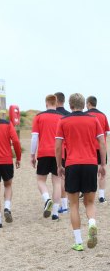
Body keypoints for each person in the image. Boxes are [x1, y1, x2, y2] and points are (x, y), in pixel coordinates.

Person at [55, 93, 106, 251]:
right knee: (90, 202)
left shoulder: (63, 121)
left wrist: (59, 165)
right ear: (84, 105)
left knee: (74, 204)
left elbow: (57, 147)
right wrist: (102, 164)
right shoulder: (93, 119)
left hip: (72, 164)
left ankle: (78, 242)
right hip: (90, 163)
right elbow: (102, 143)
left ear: (70, 105)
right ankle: (92, 223)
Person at [31, 95, 63, 220]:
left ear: (46, 103)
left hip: (43, 153)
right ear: (56, 103)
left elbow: (34, 138)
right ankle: (55, 212)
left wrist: (32, 155)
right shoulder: (62, 118)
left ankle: (46, 199)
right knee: (57, 182)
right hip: (58, 154)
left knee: (40, 180)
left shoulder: (39, 117)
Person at [86, 96, 110, 203]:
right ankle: (101, 196)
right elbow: (106, 132)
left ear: (89, 103)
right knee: (102, 171)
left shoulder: (85, 115)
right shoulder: (103, 115)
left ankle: (86, 192)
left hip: (88, 148)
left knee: (88, 171)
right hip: (101, 148)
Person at [54, 91, 70, 213]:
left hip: (57, 149)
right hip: (68, 150)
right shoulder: (69, 115)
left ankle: (61, 205)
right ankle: (64, 205)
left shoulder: (53, 115)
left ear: (56, 100)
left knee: (58, 178)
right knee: (64, 178)